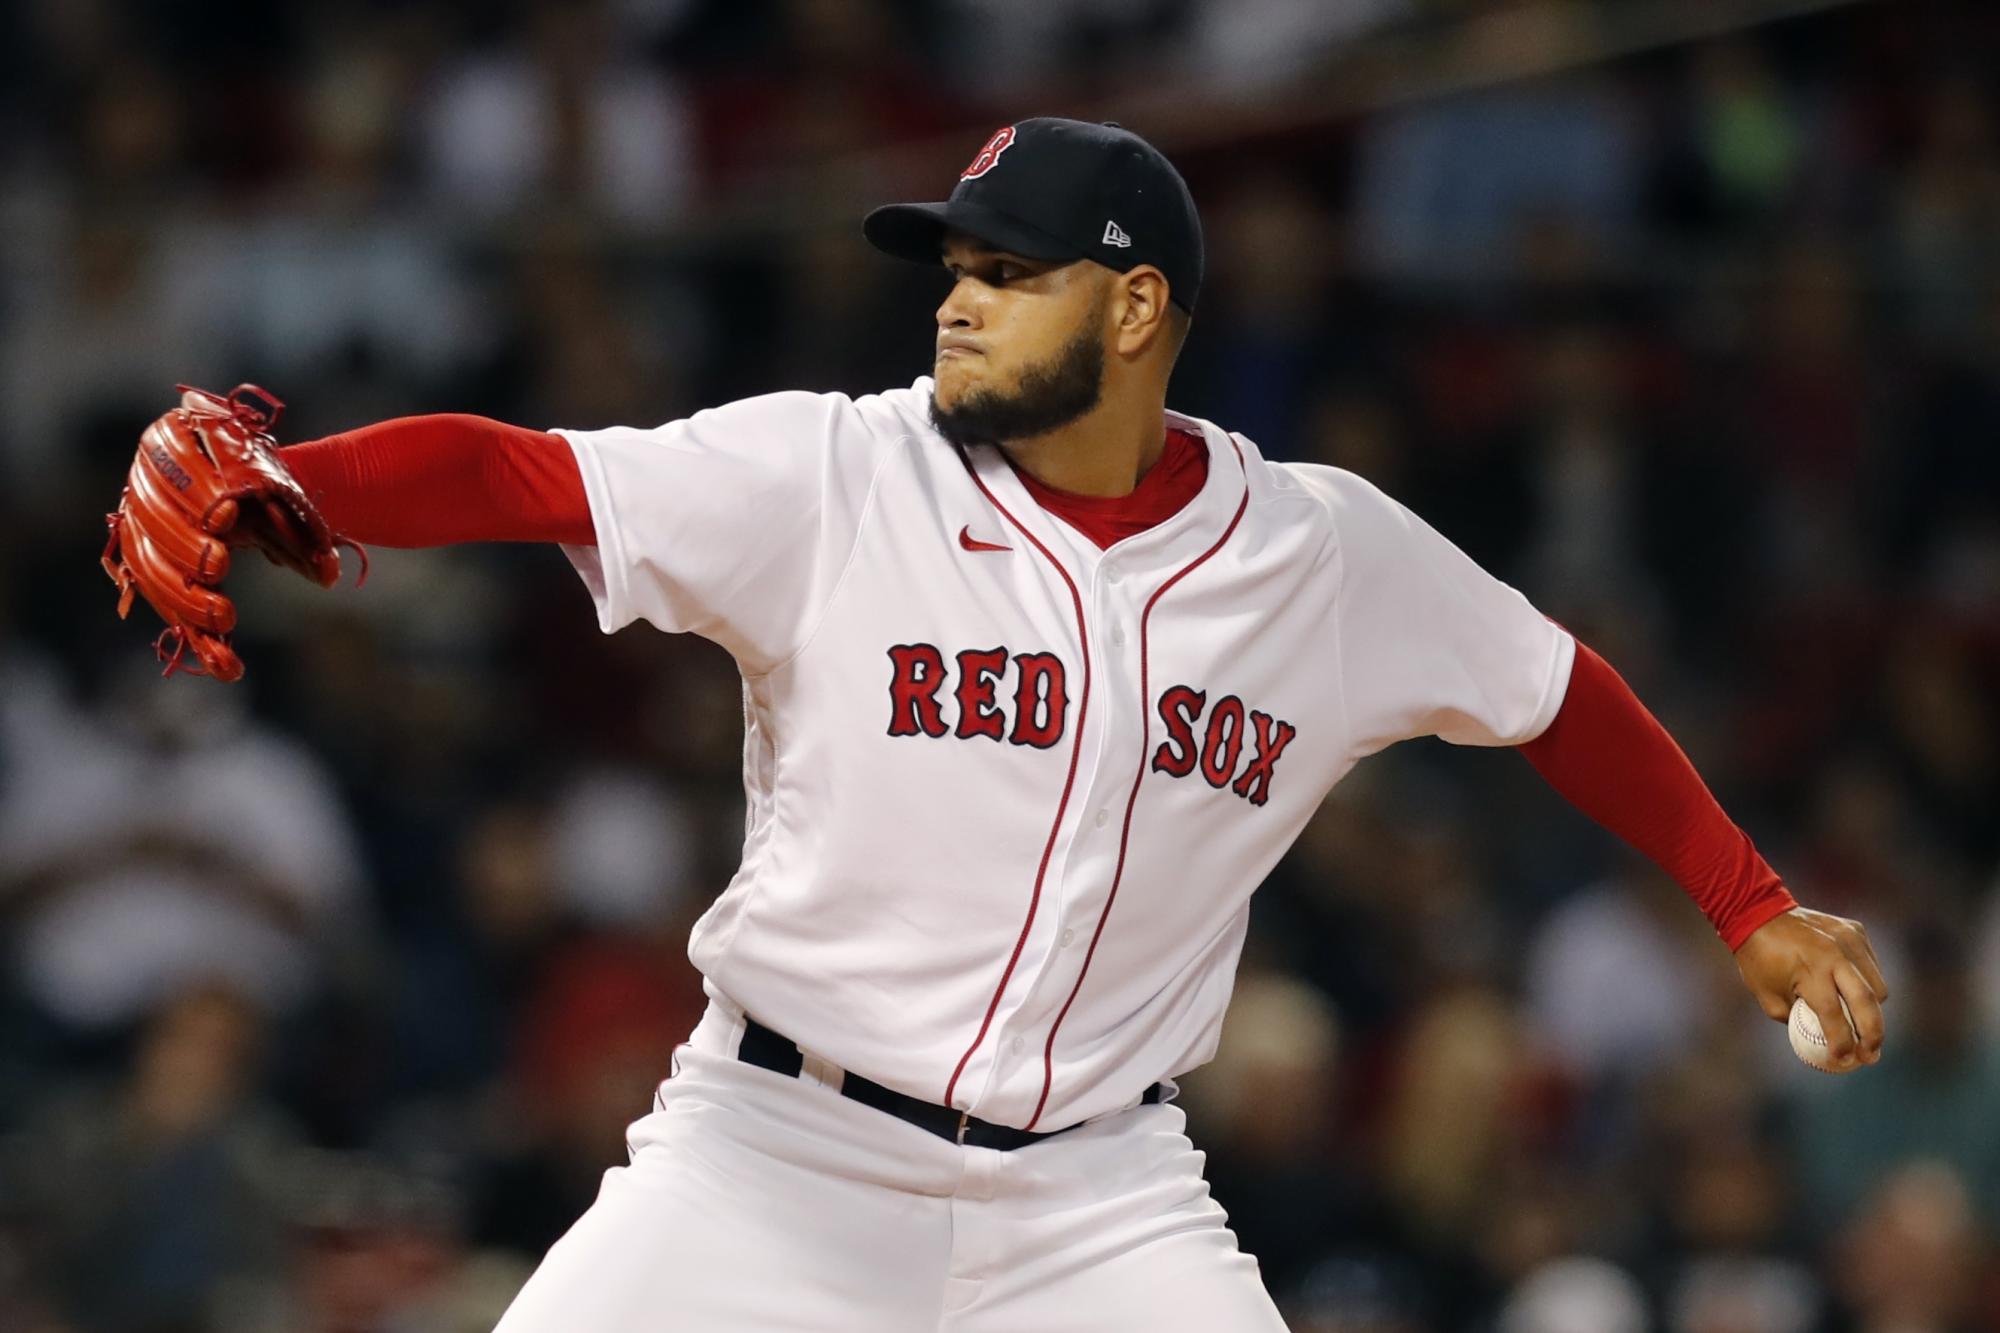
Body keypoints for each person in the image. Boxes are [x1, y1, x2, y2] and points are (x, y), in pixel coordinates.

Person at [117, 118, 1889, 1330]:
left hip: (1100, 1203)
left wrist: (1747, 901)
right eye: (953, 263)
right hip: (774, 1156)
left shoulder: (1317, 551)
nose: (956, 299)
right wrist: (297, 476)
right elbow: (531, 474)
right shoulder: (837, 471)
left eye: (1010, 270)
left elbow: (1555, 690)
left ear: (1137, 308)